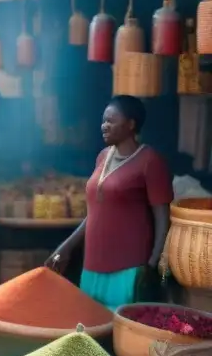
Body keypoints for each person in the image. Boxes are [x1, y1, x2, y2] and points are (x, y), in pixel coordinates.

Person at [46, 95, 172, 309]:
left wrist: (152, 265)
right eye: (103, 120)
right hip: (93, 263)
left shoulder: (150, 161)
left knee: (121, 331)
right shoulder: (103, 156)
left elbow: (163, 218)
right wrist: (66, 247)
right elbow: (95, 213)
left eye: (111, 121)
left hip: (129, 267)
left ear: (131, 124)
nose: (104, 126)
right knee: (90, 327)